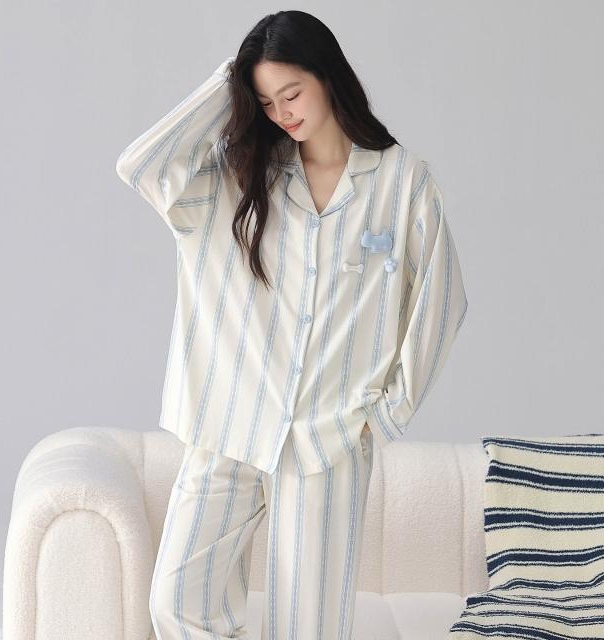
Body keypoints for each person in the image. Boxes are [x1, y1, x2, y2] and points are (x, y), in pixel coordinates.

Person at [115, 10, 468, 640]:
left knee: (309, 626)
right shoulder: (238, 176)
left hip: (329, 438)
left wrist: (385, 415)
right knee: (177, 600)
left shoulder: (401, 182)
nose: (281, 113)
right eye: (265, 101)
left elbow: (442, 303)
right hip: (230, 422)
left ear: (328, 75)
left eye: (292, 92)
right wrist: (231, 79)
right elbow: (141, 167)